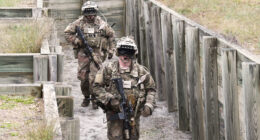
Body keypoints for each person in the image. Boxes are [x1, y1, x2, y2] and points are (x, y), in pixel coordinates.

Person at [93, 36, 156, 140]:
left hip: (133, 115)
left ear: (134, 54)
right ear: (118, 52)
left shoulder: (141, 72)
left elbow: (151, 89)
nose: (125, 56)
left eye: (129, 52)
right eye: (122, 52)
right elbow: (96, 87)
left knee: (133, 137)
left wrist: (149, 105)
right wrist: (109, 99)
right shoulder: (108, 69)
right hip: (114, 113)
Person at [64, 1, 115, 108]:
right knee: (83, 78)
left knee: (95, 77)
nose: (90, 16)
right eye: (88, 13)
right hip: (83, 53)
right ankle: (86, 97)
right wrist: (77, 40)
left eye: (92, 12)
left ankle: (94, 99)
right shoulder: (79, 23)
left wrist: (111, 50)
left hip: (97, 53)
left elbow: (111, 36)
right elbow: (67, 33)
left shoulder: (101, 24)